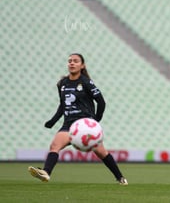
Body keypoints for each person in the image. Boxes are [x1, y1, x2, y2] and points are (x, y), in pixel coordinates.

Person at [28, 53, 128, 185]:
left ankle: (120, 178)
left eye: (75, 61)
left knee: (101, 152)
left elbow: (101, 102)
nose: (72, 63)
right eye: (70, 61)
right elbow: (63, 105)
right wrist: (53, 120)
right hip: (68, 124)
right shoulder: (62, 83)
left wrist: (95, 122)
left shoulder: (86, 82)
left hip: (84, 125)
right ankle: (46, 173)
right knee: (54, 146)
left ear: (82, 65)